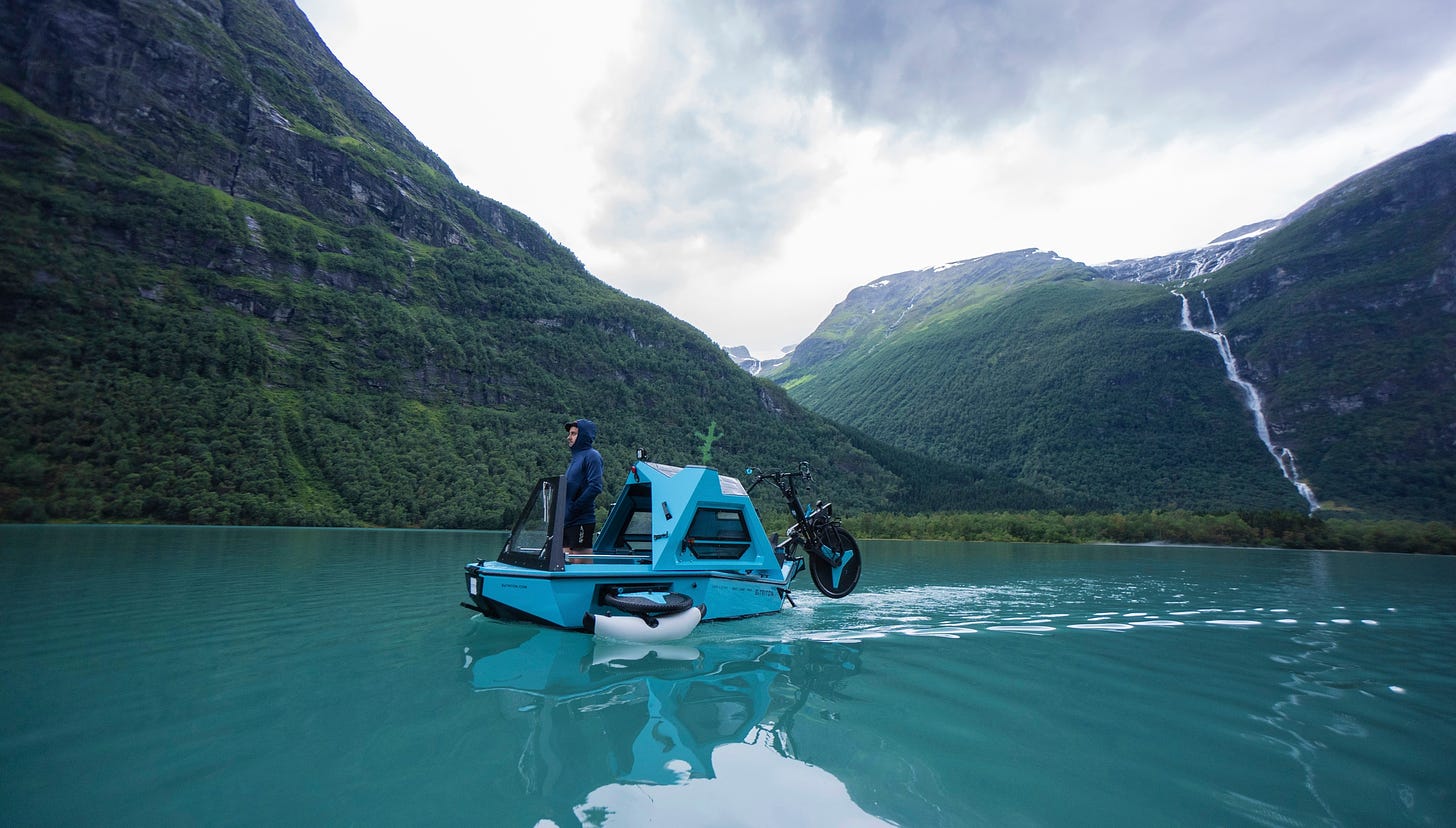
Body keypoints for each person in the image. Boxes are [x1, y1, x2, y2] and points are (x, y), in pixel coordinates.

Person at [562, 418, 604, 556]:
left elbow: (595, 486)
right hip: (565, 520)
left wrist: (575, 508)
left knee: (580, 563)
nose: (569, 437)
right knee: (564, 561)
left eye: (573, 433)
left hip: (581, 519)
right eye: (569, 434)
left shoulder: (592, 456)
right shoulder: (575, 458)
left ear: (584, 435)